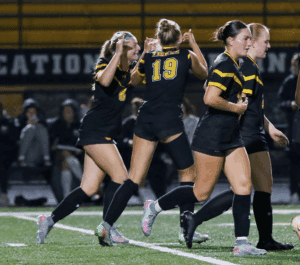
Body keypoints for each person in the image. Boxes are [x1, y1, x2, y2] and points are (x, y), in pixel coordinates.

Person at [139, 20, 268, 256]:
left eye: (251, 38)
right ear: (231, 40)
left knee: (243, 187)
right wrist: (236, 108)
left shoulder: (233, 63)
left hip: (231, 135)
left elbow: (209, 82)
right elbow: (209, 98)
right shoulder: (225, 63)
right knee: (200, 193)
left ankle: (241, 244)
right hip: (212, 135)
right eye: (246, 38)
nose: (250, 43)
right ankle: (155, 206)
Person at [95, 18, 209, 247]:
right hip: (169, 119)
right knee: (188, 173)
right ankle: (185, 228)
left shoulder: (149, 56)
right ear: (178, 38)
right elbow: (204, 73)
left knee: (134, 178)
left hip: (146, 118)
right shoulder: (185, 55)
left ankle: (105, 225)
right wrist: (194, 44)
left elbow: (133, 80)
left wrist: (147, 52)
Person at [36, 31, 141, 245]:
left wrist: (149, 52)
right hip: (95, 132)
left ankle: (49, 220)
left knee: (89, 188)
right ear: (119, 49)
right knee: (121, 179)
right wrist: (117, 52)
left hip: (102, 133)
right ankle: (108, 228)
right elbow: (103, 80)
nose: (137, 49)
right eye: (134, 47)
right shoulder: (105, 63)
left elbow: (139, 77)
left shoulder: (127, 69)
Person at [48, 98, 83, 202]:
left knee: (66, 164)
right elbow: (52, 142)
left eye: (69, 110)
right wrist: (54, 146)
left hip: (77, 156)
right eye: (65, 110)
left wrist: (81, 148)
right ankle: (86, 183)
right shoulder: (56, 124)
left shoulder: (80, 125)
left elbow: (85, 142)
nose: (67, 113)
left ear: (74, 112)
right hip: (58, 155)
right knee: (64, 153)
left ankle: (66, 198)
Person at [278, 53, 300, 204]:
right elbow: (281, 102)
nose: (293, 68)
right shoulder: (289, 81)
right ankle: (294, 193)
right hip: (295, 130)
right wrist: (291, 104)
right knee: (294, 163)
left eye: (295, 65)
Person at [16, 98, 52, 168]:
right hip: (25, 155)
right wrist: (26, 126)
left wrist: (38, 124)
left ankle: (46, 158)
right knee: (30, 128)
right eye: (29, 112)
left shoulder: (42, 124)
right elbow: (16, 138)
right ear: (25, 113)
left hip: (39, 154)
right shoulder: (19, 123)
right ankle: (21, 159)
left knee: (40, 128)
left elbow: (48, 138)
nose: (32, 115)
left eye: (34, 112)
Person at [0, 102, 19, 206]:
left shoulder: (9, 121)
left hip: (7, 154)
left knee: (2, 166)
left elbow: (13, 140)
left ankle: (3, 194)